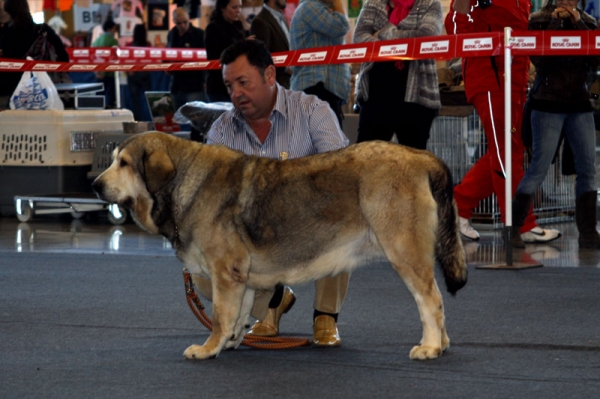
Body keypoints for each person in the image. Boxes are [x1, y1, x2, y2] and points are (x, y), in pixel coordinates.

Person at [191, 39, 350, 347]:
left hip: (310, 223)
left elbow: (340, 175)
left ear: (269, 75)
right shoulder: (221, 130)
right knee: (199, 269)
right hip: (253, 236)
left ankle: (325, 316)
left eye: (243, 82)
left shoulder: (314, 111)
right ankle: (272, 301)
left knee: (343, 213)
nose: (236, 93)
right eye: (229, 85)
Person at [445, 0, 561, 246]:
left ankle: (458, 205)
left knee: (507, 151)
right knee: (506, 151)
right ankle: (520, 223)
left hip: (514, 81)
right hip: (490, 79)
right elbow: (455, 29)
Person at [511, 0, 600, 249]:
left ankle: (588, 232)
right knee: (539, 167)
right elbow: (540, 60)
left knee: (587, 169)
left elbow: (594, 60)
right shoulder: (537, 19)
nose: (568, 1)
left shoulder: (589, 22)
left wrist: (577, 22)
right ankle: (515, 229)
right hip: (547, 103)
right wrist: (557, 22)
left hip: (579, 104)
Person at [353, 0, 441, 150]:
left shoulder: (430, 3)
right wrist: (404, 40)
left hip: (416, 98)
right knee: (366, 159)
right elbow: (359, 38)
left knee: (412, 165)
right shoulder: (373, 3)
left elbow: (426, 37)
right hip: (374, 96)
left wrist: (383, 34)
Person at [290, 0, 349, 127]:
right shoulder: (310, 7)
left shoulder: (317, 9)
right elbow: (341, 26)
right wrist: (337, 3)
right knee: (330, 143)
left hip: (321, 87)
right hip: (316, 86)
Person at [0, 0, 69, 109]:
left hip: (11, 91)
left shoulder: (7, 33)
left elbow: (6, 62)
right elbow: (64, 58)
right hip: (42, 88)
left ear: (9, 12)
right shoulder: (44, 30)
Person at [204, 0, 247, 102]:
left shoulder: (238, 26)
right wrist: (242, 45)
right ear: (223, 8)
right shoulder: (212, 28)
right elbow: (216, 56)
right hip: (219, 85)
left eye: (240, 7)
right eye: (234, 7)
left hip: (238, 82)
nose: (238, 11)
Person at [167, 7, 206, 109]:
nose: (182, 25)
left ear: (189, 18)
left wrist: (205, 81)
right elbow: (167, 53)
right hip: (176, 84)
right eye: (179, 23)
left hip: (194, 85)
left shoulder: (199, 34)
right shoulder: (172, 34)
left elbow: (206, 59)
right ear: (174, 22)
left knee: (196, 121)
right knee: (174, 121)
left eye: (185, 22)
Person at [250, 0, 292, 88]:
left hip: (289, 83)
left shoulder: (281, 17)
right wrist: (286, 68)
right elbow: (261, 59)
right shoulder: (260, 22)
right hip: (276, 86)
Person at [126, 24, 152, 121]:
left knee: (135, 101)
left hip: (133, 74)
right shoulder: (148, 45)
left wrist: (129, 69)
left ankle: (136, 121)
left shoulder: (129, 46)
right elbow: (151, 59)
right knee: (148, 100)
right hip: (145, 73)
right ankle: (151, 121)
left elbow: (124, 59)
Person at [92, 19, 119, 108]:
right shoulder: (113, 41)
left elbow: (93, 57)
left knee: (99, 95)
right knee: (110, 98)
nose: (115, 31)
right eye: (114, 28)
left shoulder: (97, 41)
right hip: (110, 73)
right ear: (109, 29)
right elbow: (112, 58)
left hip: (98, 73)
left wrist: (97, 71)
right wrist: (104, 71)